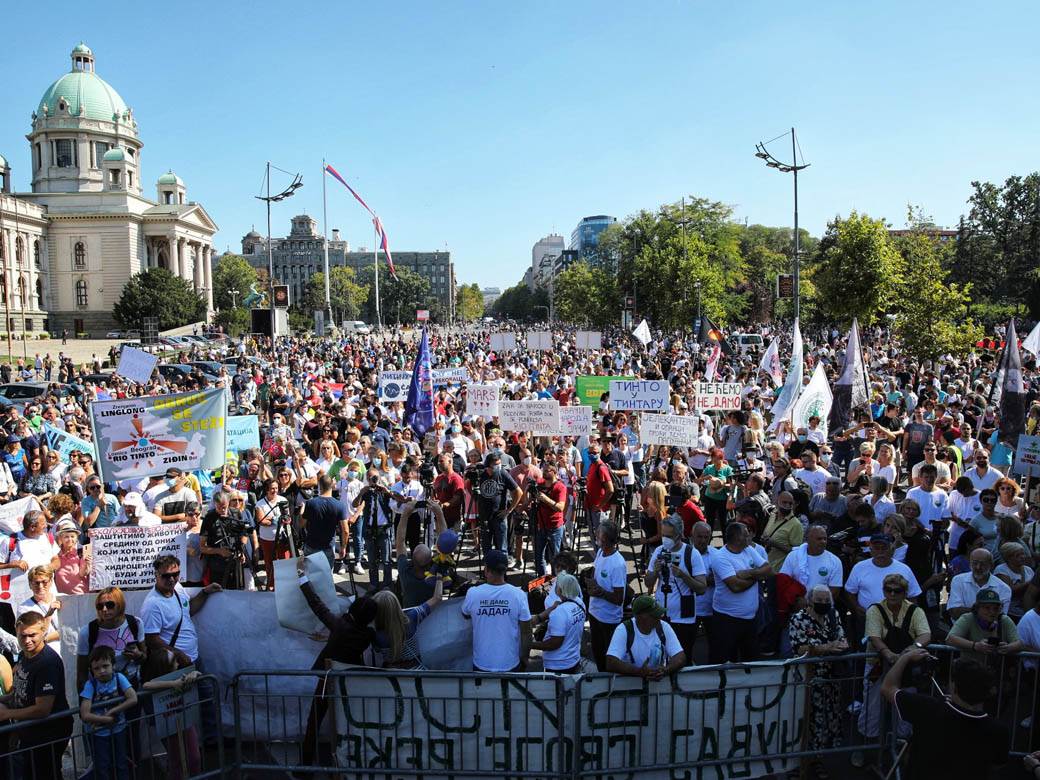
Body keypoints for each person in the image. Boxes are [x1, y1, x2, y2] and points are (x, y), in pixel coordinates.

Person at [296, 559, 377, 767]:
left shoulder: (340, 626)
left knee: (314, 722)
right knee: (350, 722)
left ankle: (305, 765)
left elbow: (317, 605)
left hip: (327, 679)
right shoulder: (367, 634)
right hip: (350, 681)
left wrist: (302, 577)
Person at [881, 650, 1008, 780]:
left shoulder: (928, 708)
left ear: (954, 687)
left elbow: (888, 687)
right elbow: (996, 766)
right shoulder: (999, 730)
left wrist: (905, 657)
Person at [0, 612, 73, 780]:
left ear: (43, 632)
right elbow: (20, 691)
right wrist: (4, 701)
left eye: (32, 635)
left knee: (46, 774)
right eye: (22, 635)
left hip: (48, 733)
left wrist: (7, 714)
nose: (27, 640)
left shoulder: (47, 662)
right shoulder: (25, 655)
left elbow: (43, 709)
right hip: (29, 732)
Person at [787, 585, 847, 767]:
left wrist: (840, 645)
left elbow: (842, 639)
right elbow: (799, 648)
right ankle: (798, 764)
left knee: (828, 722)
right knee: (805, 721)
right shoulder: (798, 619)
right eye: (819, 601)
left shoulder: (833, 615)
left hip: (831, 679)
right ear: (810, 601)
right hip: (808, 680)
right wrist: (826, 647)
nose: (823, 604)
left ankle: (818, 760)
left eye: (826, 601)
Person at [644, 514, 706, 664]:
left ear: (679, 535)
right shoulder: (659, 551)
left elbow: (702, 588)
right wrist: (655, 572)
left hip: (684, 619)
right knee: (659, 657)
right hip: (661, 616)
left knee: (682, 659)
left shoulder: (691, 554)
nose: (665, 539)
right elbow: (647, 583)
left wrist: (683, 576)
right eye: (663, 535)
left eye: (669, 536)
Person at [709, 521, 771, 663]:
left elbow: (768, 570)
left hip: (750, 620)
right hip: (727, 621)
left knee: (751, 661)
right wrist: (757, 577)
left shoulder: (748, 549)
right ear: (738, 538)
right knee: (724, 662)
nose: (749, 537)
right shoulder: (720, 557)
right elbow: (735, 587)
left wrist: (748, 573)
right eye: (746, 534)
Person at [460, 549, 531, 672]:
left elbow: (465, 614)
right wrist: (525, 657)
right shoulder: (518, 595)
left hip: (481, 664)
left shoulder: (473, 593)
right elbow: (526, 632)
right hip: (510, 663)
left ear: (486, 570)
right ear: (505, 570)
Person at [79, 644, 138, 780]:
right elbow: (85, 714)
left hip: (119, 729)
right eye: (97, 668)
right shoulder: (91, 685)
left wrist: (113, 710)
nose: (102, 671)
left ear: (113, 665)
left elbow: (133, 698)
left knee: (121, 763)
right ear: (92, 670)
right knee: (102, 766)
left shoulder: (119, 678)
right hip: (99, 734)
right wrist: (106, 719)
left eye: (105, 666)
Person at [605, 594, 686, 678]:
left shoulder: (663, 626)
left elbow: (680, 657)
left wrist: (666, 670)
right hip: (630, 684)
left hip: (659, 685)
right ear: (640, 617)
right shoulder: (624, 629)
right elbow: (611, 662)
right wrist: (638, 672)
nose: (659, 618)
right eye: (654, 615)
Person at [586, 521, 627, 671]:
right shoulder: (600, 552)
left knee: (609, 659)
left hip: (609, 619)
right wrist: (590, 582)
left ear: (606, 539)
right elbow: (595, 571)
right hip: (594, 613)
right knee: (598, 654)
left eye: (599, 534)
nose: (596, 535)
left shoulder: (617, 564)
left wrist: (600, 592)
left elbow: (618, 599)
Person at [946, 587, 1021, 663]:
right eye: (987, 608)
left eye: (995, 608)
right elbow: (950, 639)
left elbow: (1019, 643)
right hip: (970, 669)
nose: (992, 612)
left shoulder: (1004, 620)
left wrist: (1008, 647)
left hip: (996, 670)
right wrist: (975, 646)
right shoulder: (968, 618)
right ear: (977, 608)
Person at [530, 572, 586, 673]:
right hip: (573, 658)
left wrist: (529, 644)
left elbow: (553, 644)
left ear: (560, 590)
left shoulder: (559, 613)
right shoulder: (579, 602)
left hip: (558, 664)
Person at [394, 501, 446, 607]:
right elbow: (444, 544)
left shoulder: (405, 572)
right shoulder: (436, 573)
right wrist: (439, 514)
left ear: (412, 560)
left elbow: (400, 542)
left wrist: (405, 514)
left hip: (410, 617)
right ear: (430, 562)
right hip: (431, 618)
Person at [474, 451, 522, 559]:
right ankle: (488, 571)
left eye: (499, 464)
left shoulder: (503, 473)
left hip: (499, 517)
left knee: (502, 549)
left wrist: (509, 510)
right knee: (486, 548)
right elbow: (468, 487)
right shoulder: (481, 474)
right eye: (496, 464)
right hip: (484, 516)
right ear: (488, 465)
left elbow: (518, 492)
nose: (498, 466)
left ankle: (502, 573)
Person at [301, 474, 350, 569]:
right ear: (332, 485)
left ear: (319, 485)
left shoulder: (310, 503)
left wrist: (302, 511)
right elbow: (346, 530)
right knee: (327, 577)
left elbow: (302, 524)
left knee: (311, 576)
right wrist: (343, 547)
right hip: (328, 546)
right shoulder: (340, 505)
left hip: (311, 545)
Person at [947, 548, 1012, 619]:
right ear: (969, 563)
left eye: (983, 564)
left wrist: (970, 610)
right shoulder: (958, 580)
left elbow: (998, 618)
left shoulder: (1003, 588)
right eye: (975, 563)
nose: (978, 567)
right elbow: (954, 612)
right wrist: (985, 612)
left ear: (991, 565)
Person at [532, 462, 567, 577]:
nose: (544, 472)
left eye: (547, 471)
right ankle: (542, 577)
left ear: (554, 472)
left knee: (554, 556)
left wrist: (546, 499)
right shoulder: (540, 483)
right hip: (541, 525)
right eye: (544, 470)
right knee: (538, 554)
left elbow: (560, 507)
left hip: (555, 527)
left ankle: (555, 578)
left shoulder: (560, 487)